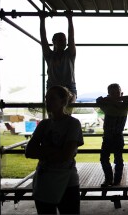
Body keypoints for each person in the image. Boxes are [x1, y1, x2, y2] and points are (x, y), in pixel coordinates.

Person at [25, 85, 84, 214]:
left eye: (52, 98)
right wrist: (57, 152)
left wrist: (43, 151)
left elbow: (66, 155)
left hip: (63, 179)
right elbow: (28, 152)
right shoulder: (45, 124)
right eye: (47, 98)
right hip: (47, 178)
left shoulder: (72, 123)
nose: (47, 102)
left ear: (63, 102)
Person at [96, 83, 128, 187]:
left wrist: (113, 99)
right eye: (112, 93)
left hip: (115, 136)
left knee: (116, 159)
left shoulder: (119, 105)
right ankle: (111, 180)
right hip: (109, 137)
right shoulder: (123, 106)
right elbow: (98, 100)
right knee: (106, 159)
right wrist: (115, 99)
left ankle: (115, 180)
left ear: (121, 93)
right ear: (109, 94)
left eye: (117, 93)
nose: (115, 95)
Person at [40, 11, 77, 104]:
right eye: (60, 40)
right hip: (53, 86)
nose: (63, 42)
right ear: (54, 42)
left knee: (67, 107)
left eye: (64, 40)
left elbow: (71, 38)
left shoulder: (70, 54)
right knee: (53, 110)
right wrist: (42, 20)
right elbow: (43, 39)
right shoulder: (49, 55)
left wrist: (70, 19)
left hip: (69, 87)